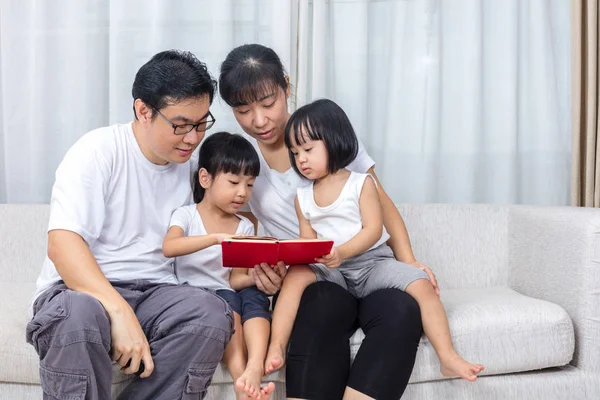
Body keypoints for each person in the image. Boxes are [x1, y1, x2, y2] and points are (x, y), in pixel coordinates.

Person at [219, 43, 439, 399]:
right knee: (323, 304)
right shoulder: (241, 164)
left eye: (268, 103)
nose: (258, 121)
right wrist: (264, 273)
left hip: (366, 263)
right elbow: (242, 232)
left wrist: (409, 261)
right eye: (243, 110)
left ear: (286, 87)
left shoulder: (323, 136)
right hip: (316, 274)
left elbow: (381, 205)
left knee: (401, 309)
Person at [26, 50, 233, 400]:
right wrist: (119, 312)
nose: (193, 137)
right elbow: (63, 245)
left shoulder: (195, 170)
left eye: (202, 123)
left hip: (157, 294)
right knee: (78, 314)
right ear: (143, 111)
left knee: (210, 313)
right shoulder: (97, 151)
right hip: (78, 291)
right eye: (181, 125)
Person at [268, 98, 485, 384]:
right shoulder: (303, 196)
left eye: (308, 150)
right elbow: (308, 241)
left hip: (371, 263)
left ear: (335, 142)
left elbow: (373, 230)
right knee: (296, 275)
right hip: (332, 269)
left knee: (420, 282)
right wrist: (294, 255)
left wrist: (341, 252)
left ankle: (447, 356)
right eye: (295, 153)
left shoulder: (361, 183)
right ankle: (276, 347)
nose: (301, 160)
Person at [162, 132, 276, 400]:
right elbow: (170, 247)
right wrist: (215, 239)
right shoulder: (186, 214)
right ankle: (241, 379)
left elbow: (236, 280)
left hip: (228, 289)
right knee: (227, 300)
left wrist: (259, 276)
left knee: (254, 296)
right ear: (206, 178)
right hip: (198, 294)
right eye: (234, 182)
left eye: (249, 185)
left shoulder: (245, 225)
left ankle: (255, 368)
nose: (242, 192)